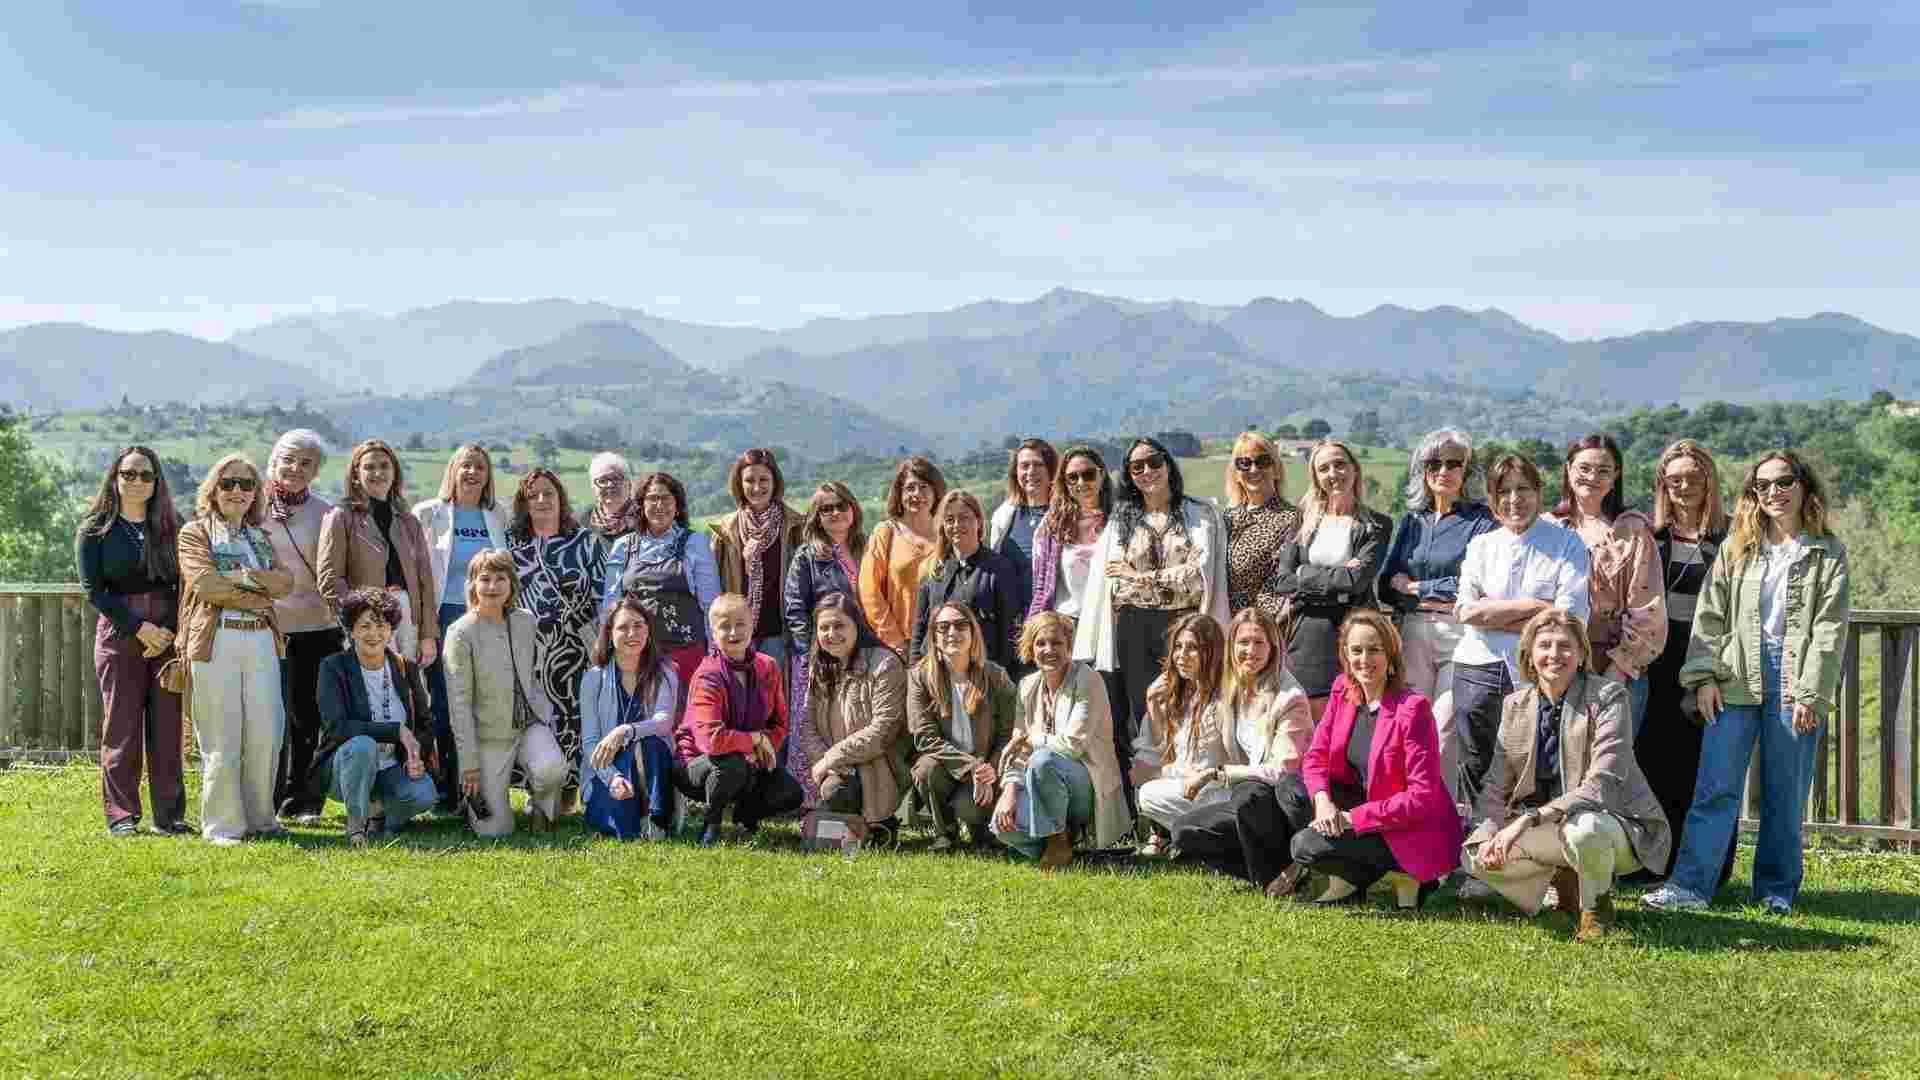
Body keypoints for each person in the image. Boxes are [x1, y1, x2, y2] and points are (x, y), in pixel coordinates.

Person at [1647, 451, 1850, 915]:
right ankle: (1690, 887)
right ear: (1753, 494)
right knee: (1715, 787)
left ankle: (1775, 892)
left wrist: (1811, 693)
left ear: (1804, 486)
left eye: (1784, 482)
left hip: (1795, 679)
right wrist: (1703, 678)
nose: (1774, 492)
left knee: (1785, 792)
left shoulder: (1828, 552)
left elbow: (1830, 628)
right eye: (1763, 485)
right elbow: (1710, 616)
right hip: (1733, 675)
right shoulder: (1737, 547)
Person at [1465, 610, 1671, 941]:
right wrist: (1489, 833)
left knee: (1583, 829)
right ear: (1529, 655)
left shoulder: (1608, 697)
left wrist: (1527, 820)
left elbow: (1601, 784)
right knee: (1473, 854)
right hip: (1551, 827)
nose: (1554, 654)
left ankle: (1596, 910)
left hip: (1615, 824)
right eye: (1544, 645)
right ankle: (1564, 884)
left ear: (1581, 654)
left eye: (1565, 646)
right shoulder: (1515, 704)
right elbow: (1494, 785)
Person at [1073, 437, 1230, 818]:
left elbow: (1197, 577)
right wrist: (1155, 579)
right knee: (1147, 716)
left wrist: (1139, 576)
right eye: (1136, 466)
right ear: (1128, 475)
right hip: (1133, 628)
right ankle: (1151, 817)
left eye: (1153, 462)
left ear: (1168, 464)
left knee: (1193, 710)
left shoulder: (1200, 514)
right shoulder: (1121, 521)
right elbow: (1115, 583)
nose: (1146, 471)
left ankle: (1194, 806)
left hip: (1186, 627)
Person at [1290, 610, 1462, 910]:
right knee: (1290, 790)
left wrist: (1351, 819)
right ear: (1345, 654)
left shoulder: (1413, 709)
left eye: (1374, 650)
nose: (1364, 659)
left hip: (1405, 826)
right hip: (1358, 802)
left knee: (1305, 846)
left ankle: (1400, 873)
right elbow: (1316, 756)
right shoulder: (1342, 689)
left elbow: (1421, 797)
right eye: (1356, 650)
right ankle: (1349, 878)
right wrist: (1323, 802)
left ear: (1391, 654)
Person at [1451, 455, 1592, 814]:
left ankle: (1530, 842)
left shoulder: (1567, 544)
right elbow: (1465, 611)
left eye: (1523, 489)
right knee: (1476, 767)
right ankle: (1478, 841)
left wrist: (1492, 614)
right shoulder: (1481, 545)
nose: (1514, 499)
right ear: (1492, 498)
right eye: (1504, 491)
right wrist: (1536, 607)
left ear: (1539, 492)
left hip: (1540, 672)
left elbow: (1570, 617)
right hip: (1477, 669)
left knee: (1535, 767)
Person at [177, 455, 294, 846]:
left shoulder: (260, 537)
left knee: (266, 732)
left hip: (261, 639)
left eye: (247, 484)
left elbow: (285, 583)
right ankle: (223, 826)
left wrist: (242, 577)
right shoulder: (195, 534)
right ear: (213, 489)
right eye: (228, 483)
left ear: (256, 493)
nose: (238, 491)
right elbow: (206, 585)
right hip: (217, 640)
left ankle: (261, 819)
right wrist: (257, 592)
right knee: (221, 734)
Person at [1635, 439, 1736, 888]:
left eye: (1693, 477)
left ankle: (1707, 867)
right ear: (1662, 484)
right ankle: (1653, 862)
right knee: (1653, 762)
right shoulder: (1651, 536)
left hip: (1711, 656)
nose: (1684, 486)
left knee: (1706, 767)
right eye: (1674, 479)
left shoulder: (1732, 536)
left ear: (1709, 480)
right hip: (1657, 659)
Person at [1378, 429, 1498, 804]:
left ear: (1467, 471)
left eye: (1453, 463)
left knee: (1444, 729)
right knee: (1411, 726)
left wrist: (1415, 587)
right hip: (1412, 632)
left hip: (1459, 633)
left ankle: (1440, 811)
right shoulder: (1412, 521)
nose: (1443, 471)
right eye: (1434, 463)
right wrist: (1414, 589)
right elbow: (1385, 583)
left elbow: (1474, 582)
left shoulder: (1483, 522)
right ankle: (1410, 807)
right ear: (1422, 470)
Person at [76, 445, 186, 837]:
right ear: (115, 478)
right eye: (129, 474)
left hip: (169, 635)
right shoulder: (94, 530)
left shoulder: (173, 527)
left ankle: (169, 817)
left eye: (146, 475)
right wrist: (141, 629)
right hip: (120, 633)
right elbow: (94, 591)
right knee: (121, 726)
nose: (137, 481)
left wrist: (167, 631)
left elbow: (184, 584)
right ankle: (121, 814)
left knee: (168, 727)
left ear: (156, 482)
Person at [1167, 609, 1313, 885]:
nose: (1250, 651)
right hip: (1249, 801)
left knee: (1248, 794)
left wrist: (1218, 773)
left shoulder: (1289, 698)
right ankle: (1273, 872)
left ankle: (1279, 874)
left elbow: (1282, 771)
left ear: (1273, 648)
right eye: (1243, 642)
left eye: (1259, 642)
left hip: (1286, 803)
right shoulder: (1233, 687)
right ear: (1231, 646)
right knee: (1184, 830)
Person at [411, 443, 511, 810]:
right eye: (466, 466)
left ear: (488, 476)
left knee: (484, 702)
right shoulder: (428, 513)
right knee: (445, 704)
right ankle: (447, 790)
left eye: (480, 467)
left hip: (487, 620)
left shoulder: (498, 515)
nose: (472, 473)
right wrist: (425, 628)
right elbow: (418, 577)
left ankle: (483, 788)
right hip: (444, 620)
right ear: (452, 470)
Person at [1545, 435, 1667, 735]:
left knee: (1611, 757)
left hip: (1616, 666)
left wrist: (1619, 666)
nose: (1592, 477)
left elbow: (1647, 608)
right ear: (1568, 469)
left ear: (1616, 476)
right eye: (1584, 468)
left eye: (1603, 470)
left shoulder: (1632, 531)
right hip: (1554, 663)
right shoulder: (1547, 527)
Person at [443, 549, 569, 836]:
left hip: (529, 725)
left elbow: (531, 674)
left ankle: (541, 809)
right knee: (494, 831)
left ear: (511, 583)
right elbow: (459, 705)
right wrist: (469, 764)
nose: (492, 586)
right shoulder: (459, 633)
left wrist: (543, 714)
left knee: (551, 769)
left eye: (500, 578)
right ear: (472, 584)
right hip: (488, 737)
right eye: (485, 579)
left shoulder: (526, 621)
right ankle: (474, 806)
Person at [1269, 439, 1392, 725]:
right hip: (1307, 635)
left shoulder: (1377, 525)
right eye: (1324, 468)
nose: (1333, 473)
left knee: (1356, 720)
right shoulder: (1302, 521)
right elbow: (1283, 581)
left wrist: (1304, 573)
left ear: (1355, 469)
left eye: (1340, 464)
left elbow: (1357, 581)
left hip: (1357, 634)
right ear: (1315, 477)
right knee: (1311, 723)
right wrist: (1338, 577)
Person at [991, 611, 1130, 866]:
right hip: (1043, 783)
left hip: (1087, 785)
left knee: (1043, 761)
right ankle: (1065, 843)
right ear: (1030, 648)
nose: (1049, 650)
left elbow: (1072, 746)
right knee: (1002, 827)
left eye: (1057, 642)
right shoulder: (1026, 686)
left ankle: (1056, 841)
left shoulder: (1088, 679)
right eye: (1040, 643)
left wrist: (1031, 739)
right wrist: (1009, 791)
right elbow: (1019, 750)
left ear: (1069, 646)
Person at [307, 588, 438, 846]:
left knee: (424, 794)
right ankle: (356, 826)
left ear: (391, 631)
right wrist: (394, 731)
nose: (374, 634)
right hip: (345, 767)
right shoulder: (333, 667)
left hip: (391, 766)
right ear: (351, 631)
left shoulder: (406, 668)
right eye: (365, 626)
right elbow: (337, 727)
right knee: (362, 745)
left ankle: (378, 816)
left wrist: (414, 759)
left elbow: (424, 724)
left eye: (381, 626)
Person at [509, 467, 607, 812]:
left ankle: (567, 793)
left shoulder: (586, 542)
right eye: (532, 495)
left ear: (560, 498)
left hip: (574, 649)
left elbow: (603, 596)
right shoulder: (510, 543)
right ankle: (535, 789)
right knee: (533, 717)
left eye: (548, 493)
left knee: (573, 718)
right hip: (525, 650)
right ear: (523, 503)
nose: (541, 500)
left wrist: (602, 641)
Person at [672, 593, 805, 846]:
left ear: (752, 626)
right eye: (725, 626)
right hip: (696, 764)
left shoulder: (768, 667)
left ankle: (745, 816)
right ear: (713, 633)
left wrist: (760, 749)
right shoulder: (707, 675)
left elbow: (779, 724)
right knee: (731, 766)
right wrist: (754, 740)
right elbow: (711, 741)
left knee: (791, 793)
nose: (733, 632)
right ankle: (711, 824)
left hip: (749, 760)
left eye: (740, 624)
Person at [261, 429, 342, 823]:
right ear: (273, 461)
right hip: (266, 627)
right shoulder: (250, 506)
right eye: (289, 459)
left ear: (316, 470)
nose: (296, 468)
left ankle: (305, 801)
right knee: (269, 717)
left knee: (308, 719)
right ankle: (267, 797)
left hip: (318, 627)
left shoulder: (327, 513)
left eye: (306, 462)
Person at [794, 592, 911, 841]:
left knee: (836, 793)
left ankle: (875, 824)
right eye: (824, 628)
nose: (831, 633)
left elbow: (884, 729)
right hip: (837, 771)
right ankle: (861, 833)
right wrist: (827, 763)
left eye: (839, 626)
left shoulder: (885, 664)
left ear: (857, 625)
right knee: (834, 790)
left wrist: (832, 758)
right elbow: (807, 724)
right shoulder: (820, 667)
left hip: (878, 768)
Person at [782, 483, 870, 804]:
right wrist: (811, 654)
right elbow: (794, 607)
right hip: (820, 655)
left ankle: (858, 794)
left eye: (841, 505)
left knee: (855, 724)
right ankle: (810, 798)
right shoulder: (807, 555)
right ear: (816, 516)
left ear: (853, 509)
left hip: (863, 653)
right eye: (826, 508)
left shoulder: (867, 548)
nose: (835, 513)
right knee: (813, 727)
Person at [317, 439, 437, 665]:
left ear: (394, 472)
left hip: (408, 619)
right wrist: (359, 619)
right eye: (369, 467)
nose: (378, 473)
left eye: (384, 466)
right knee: (372, 683)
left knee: (408, 683)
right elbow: (330, 579)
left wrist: (428, 635)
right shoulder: (341, 516)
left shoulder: (409, 522)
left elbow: (425, 583)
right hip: (365, 618)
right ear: (356, 475)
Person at [907, 602, 1017, 849]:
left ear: (973, 632)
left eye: (960, 625)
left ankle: (983, 831)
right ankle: (944, 833)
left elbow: (1008, 734)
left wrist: (989, 768)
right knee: (925, 770)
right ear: (934, 637)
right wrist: (971, 767)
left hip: (987, 765)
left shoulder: (995, 675)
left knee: (971, 810)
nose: (952, 632)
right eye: (943, 627)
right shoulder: (919, 676)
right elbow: (924, 737)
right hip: (948, 765)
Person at [602, 471, 720, 694]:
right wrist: (608, 655)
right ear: (641, 505)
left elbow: (711, 606)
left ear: (677, 506)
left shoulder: (695, 543)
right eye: (652, 498)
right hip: (637, 658)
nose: (659, 505)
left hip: (686, 655)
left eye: (666, 498)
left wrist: (715, 658)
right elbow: (610, 608)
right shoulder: (623, 547)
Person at [579, 596, 680, 841]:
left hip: (652, 768)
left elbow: (663, 722)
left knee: (651, 743)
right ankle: (628, 813)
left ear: (648, 630)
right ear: (609, 634)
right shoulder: (594, 679)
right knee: (621, 820)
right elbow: (590, 743)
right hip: (608, 769)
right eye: (623, 627)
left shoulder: (665, 673)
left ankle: (656, 819)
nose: (632, 633)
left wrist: (625, 730)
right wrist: (612, 778)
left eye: (638, 625)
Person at [1131, 613, 1232, 856]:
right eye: (1178, 647)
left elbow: (1202, 765)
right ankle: (1181, 838)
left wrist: (1159, 773)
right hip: (1192, 785)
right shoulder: (1185, 691)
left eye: (1192, 648)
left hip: (1217, 789)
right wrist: (1153, 702)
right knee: (1143, 767)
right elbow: (1166, 748)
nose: (1182, 655)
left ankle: (1209, 839)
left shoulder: (1221, 698)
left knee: (1148, 793)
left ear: (1211, 652)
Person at [708, 448, 805, 680]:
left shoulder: (795, 526)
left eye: (764, 480)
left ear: (775, 482)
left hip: (777, 634)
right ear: (739, 484)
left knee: (773, 697)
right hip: (736, 634)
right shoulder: (726, 530)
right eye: (749, 480)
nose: (757, 487)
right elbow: (714, 586)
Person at [908, 490, 1021, 671]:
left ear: (979, 521)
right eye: (949, 519)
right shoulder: (932, 568)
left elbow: (1008, 631)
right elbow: (920, 625)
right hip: (935, 670)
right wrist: (914, 670)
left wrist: (997, 676)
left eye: (964, 518)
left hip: (981, 671)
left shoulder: (999, 568)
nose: (956, 525)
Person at [860, 456, 946, 654]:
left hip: (944, 641)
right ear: (899, 494)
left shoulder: (948, 533)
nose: (917, 494)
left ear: (936, 492)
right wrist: (894, 640)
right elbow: (869, 592)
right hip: (901, 645)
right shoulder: (886, 533)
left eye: (924, 487)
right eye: (910, 488)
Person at [986, 438, 1058, 668]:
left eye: (1038, 465)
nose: (1031, 472)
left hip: (1054, 629)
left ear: (1052, 470)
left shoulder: (1064, 515)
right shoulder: (1003, 517)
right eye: (1024, 466)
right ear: (1015, 472)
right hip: (1014, 630)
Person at [1025, 446, 1110, 624]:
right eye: (1072, 477)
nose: (1081, 482)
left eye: (1088, 474)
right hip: (1069, 623)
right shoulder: (1053, 525)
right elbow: (1041, 586)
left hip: (1112, 620)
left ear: (1101, 475)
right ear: (1065, 483)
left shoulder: (1120, 520)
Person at [1221, 431, 1300, 620]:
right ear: (1236, 474)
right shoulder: (1224, 519)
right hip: (1220, 623)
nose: (1254, 469)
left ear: (1276, 469)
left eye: (1262, 461)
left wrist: (1250, 625)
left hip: (1258, 627)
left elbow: (1278, 586)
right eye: (1244, 463)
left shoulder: (1292, 520)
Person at [584, 451, 638, 546]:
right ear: (593, 487)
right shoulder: (582, 521)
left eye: (616, 478)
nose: (610, 485)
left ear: (629, 484)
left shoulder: (646, 518)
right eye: (602, 481)